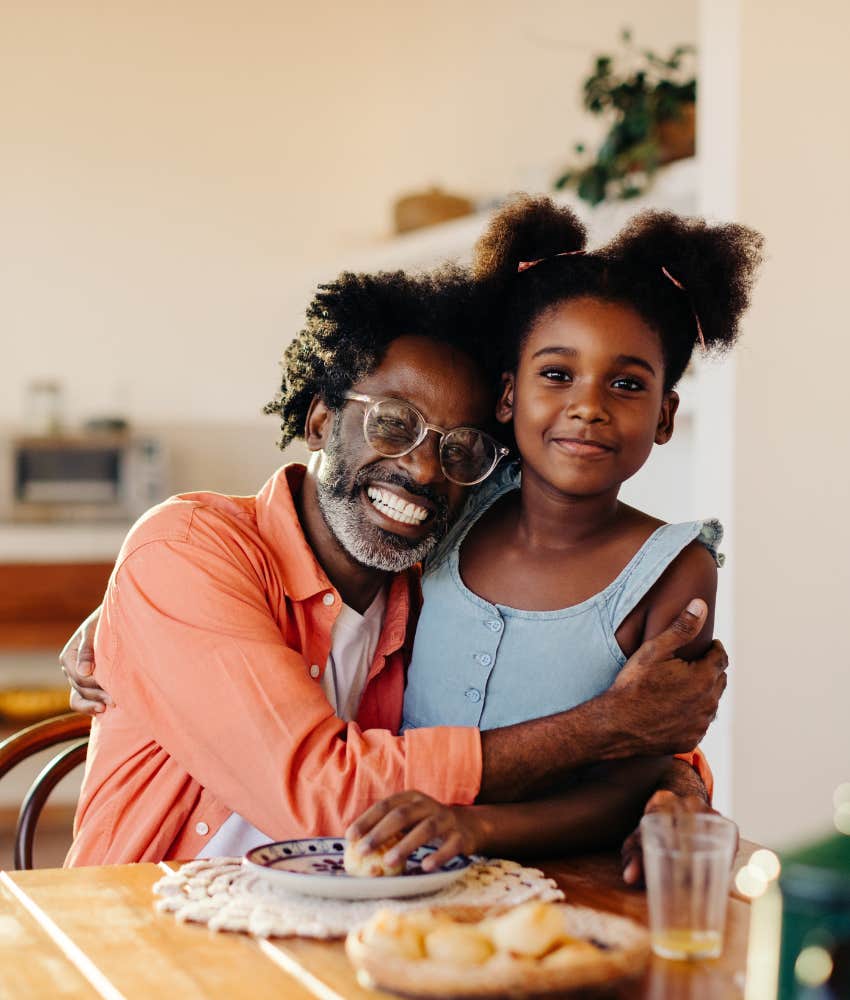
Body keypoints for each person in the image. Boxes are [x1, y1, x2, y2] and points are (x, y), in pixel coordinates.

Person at [61, 262, 728, 871]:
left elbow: (625, 721)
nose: (423, 468)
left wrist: (675, 779)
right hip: (146, 928)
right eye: (392, 423)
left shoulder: (424, 578)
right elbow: (324, 795)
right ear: (320, 421)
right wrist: (602, 727)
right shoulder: (185, 552)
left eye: (458, 448)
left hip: (348, 922)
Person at [346, 197, 762, 880]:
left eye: (626, 384)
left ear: (665, 416)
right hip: (403, 867)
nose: (589, 406)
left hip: (571, 884)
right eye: (558, 374)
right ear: (508, 396)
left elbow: (640, 774)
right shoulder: (457, 511)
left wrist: (476, 825)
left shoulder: (675, 571)